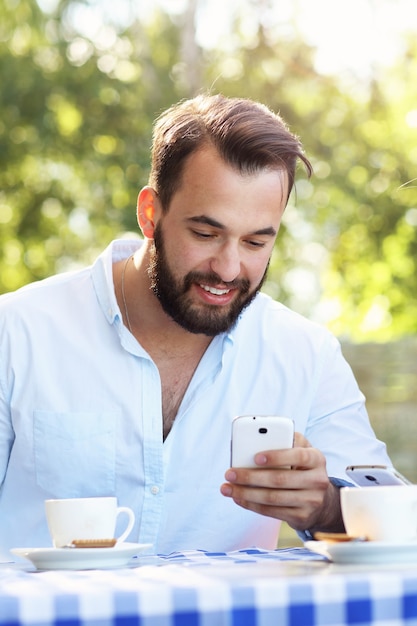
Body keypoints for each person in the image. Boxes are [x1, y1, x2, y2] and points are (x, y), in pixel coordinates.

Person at [0, 93, 391, 560]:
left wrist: (324, 506)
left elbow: (394, 521)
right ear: (150, 214)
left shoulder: (305, 354)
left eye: (255, 241)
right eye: (205, 234)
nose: (228, 269)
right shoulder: (17, 334)